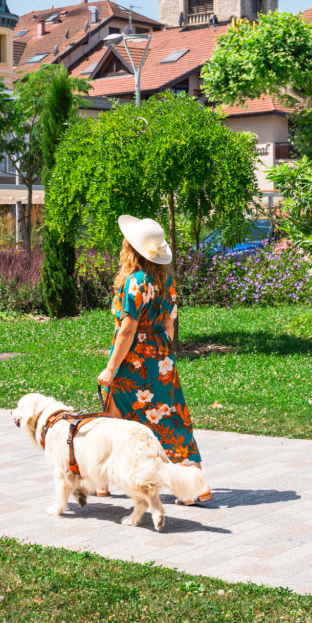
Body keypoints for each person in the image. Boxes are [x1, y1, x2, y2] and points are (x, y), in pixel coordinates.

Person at [96, 214, 212, 504]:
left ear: (130, 249)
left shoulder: (133, 282)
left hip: (133, 359)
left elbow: (127, 329)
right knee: (171, 418)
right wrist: (161, 355)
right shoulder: (167, 282)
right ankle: (196, 485)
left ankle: (101, 481)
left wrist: (111, 367)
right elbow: (170, 326)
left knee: (114, 417)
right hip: (161, 358)